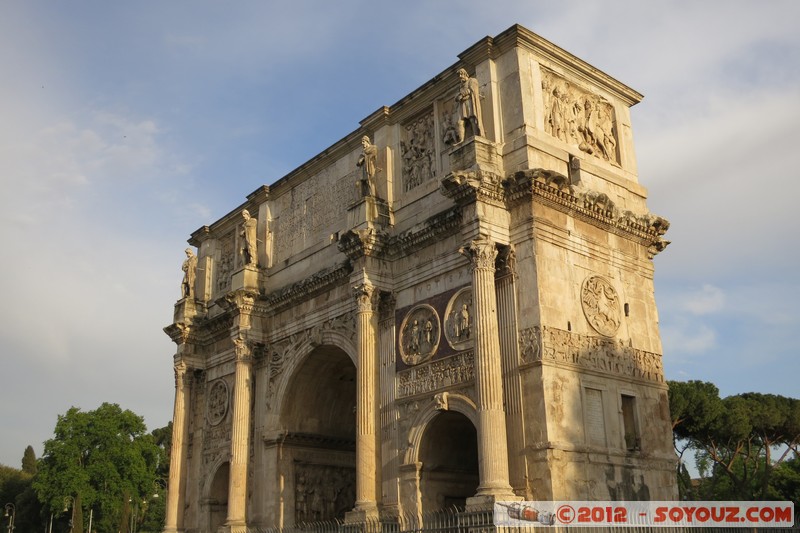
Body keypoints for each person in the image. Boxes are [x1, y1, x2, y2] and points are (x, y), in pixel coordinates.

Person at [455, 68, 484, 142]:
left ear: (465, 74)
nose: (460, 76)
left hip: (470, 102)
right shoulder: (461, 86)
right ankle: (461, 140)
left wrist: (462, 95)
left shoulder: (472, 80)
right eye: (459, 75)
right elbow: (457, 95)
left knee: (472, 118)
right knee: (460, 122)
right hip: (463, 104)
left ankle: (476, 135)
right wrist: (458, 96)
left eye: (461, 74)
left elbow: (472, 90)